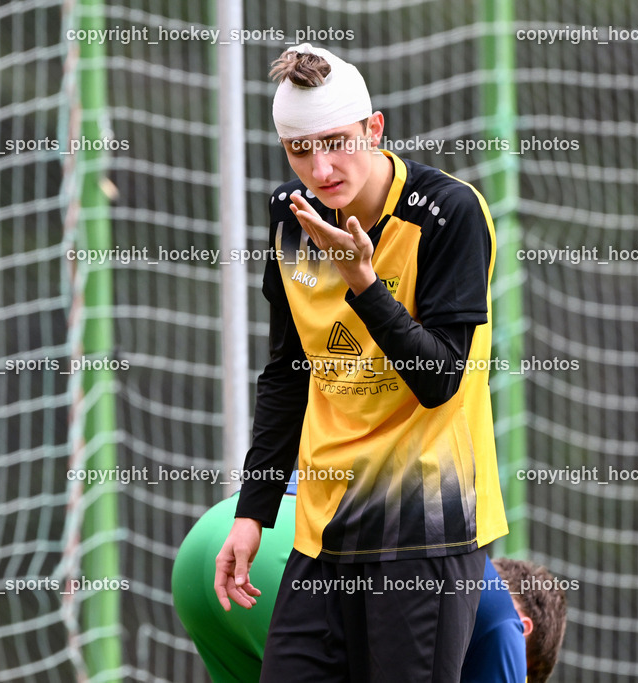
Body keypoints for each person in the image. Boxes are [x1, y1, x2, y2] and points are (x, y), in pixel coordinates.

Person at [213, 42, 509, 681]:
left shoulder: (449, 213)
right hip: (322, 533)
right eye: (300, 149)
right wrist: (253, 510)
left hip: (425, 533)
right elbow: (289, 371)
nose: (320, 168)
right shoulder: (291, 218)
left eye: (338, 142)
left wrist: (366, 286)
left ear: (375, 129)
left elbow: (439, 383)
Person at [175, 489, 568, 682]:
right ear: (525, 629)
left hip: (219, 538)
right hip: (296, 551)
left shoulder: (453, 572)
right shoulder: (503, 622)